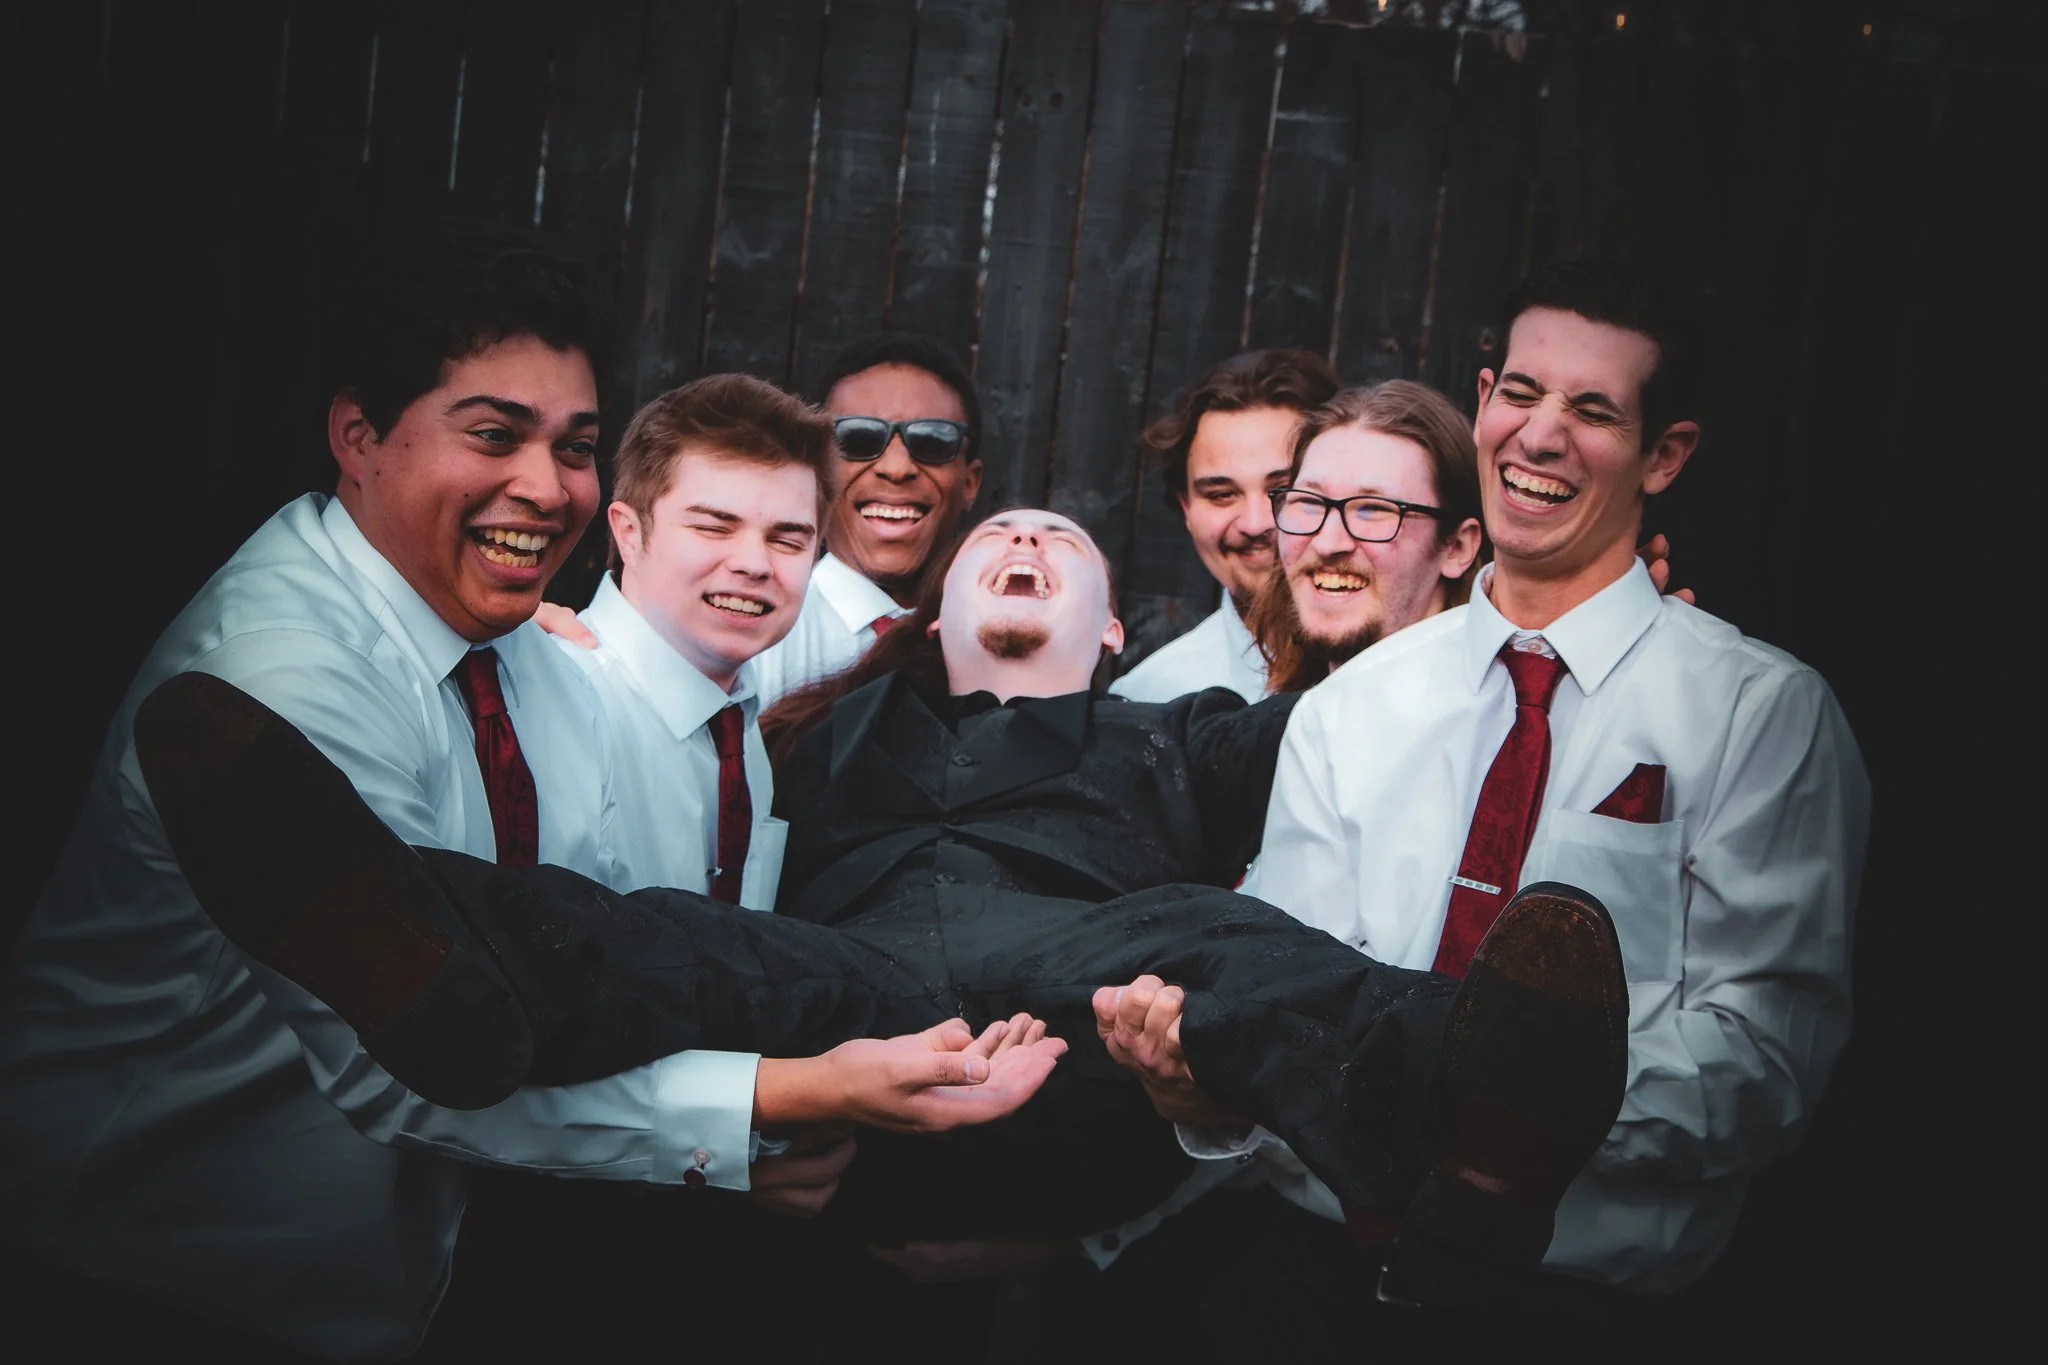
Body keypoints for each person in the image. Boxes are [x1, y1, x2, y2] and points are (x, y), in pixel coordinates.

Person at [135, 505, 1637, 1326]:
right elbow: (699, 712)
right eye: (996, 541)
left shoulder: (1180, 736)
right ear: (933, 607)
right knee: (658, 925)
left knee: (1233, 947)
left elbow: (1367, 718)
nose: (1021, 548)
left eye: (1057, 545)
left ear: (1114, 631)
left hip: (1076, 985)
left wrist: (1444, 568)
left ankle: (1475, 1130)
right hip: (840, 986)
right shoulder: (820, 725)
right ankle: (411, 946)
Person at [0, 225, 1056, 1363]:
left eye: (574, 445)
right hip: (153, 1278)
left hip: (427, 1285)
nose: (542, 487)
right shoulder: (276, 682)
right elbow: (412, 1068)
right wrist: (781, 1100)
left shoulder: (544, 664)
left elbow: (602, 948)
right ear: (358, 434)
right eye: (495, 435)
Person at [1114, 260, 1872, 1344]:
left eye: (1593, 410)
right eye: (1518, 394)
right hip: (1311, 1281)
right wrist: (1209, 1087)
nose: (1540, 436)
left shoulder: (1757, 716)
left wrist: (1479, 1100)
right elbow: (1285, 990)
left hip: (1576, 1309)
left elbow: (1760, 1067)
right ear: (1480, 405)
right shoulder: (1354, 708)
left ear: (1665, 455)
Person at [1110, 349, 1339, 703]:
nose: (1255, 523)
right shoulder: (1149, 699)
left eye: (1283, 490)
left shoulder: (1442, 674)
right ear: (1186, 507)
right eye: (1221, 494)